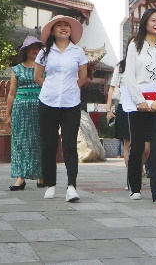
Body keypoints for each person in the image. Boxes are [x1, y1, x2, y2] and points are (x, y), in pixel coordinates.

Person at [121, 8, 156, 205]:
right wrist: (139, 100)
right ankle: (134, 185)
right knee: (138, 146)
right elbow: (129, 76)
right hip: (138, 102)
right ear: (145, 22)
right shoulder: (135, 46)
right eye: (153, 20)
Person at [34, 15, 88, 202]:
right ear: (53, 31)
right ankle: (50, 185)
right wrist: (51, 88)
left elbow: (83, 77)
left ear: (71, 30)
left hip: (71, 104)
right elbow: (37, 77)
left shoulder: (78, 52)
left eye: (67, 26)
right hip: (47, 102)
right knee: (48, 145)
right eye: (59, 26)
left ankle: (71, 186)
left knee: (69, 145)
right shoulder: (44, 52)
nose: (63, 28)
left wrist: (70, 88)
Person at [106, 55, 151, 190]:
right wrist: (108, 110)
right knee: (128, 144)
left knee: (146, 147)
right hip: (125, 106)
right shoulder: (120, 67)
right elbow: (112, 88)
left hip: (144, 106)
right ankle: (131, 177)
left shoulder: (148, 64)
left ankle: (138, 168)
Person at [6, 36, 44, 191]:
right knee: (20, 142)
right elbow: (11, 94)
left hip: (41, 107)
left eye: (37, 47)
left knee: (40, 141)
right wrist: (8, 115)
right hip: (20, 109)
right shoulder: (17, 69)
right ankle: (20, 178)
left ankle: (41, 175)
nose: (35, 50)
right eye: (31, 47)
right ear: (25, 50)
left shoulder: (44, 68)